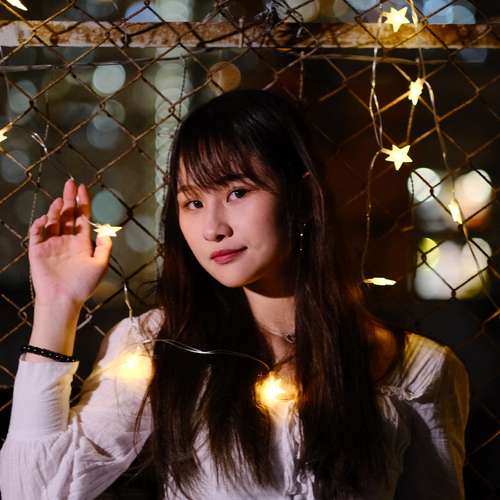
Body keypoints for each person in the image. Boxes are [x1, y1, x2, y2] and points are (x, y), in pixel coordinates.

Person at [0, 89, 469, 499]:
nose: (213, 227)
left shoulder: (419, 371)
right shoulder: (158, 348)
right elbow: (33, 491)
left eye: (238, 192)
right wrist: (57, 305)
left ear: (302, 197)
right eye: (193, 202)